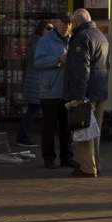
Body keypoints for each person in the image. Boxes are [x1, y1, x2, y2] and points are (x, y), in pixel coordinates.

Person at [63, 7, 109, 178]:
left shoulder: (81, 38)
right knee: (95, 131)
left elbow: (82, 71)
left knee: (82, 130)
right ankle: (96, 163)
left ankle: (87, 167)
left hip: (86, 92)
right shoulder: (101, 36)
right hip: (100, 91)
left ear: (76, 22)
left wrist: (78, 97)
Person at [36, 17, 72, 169]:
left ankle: (66, 157)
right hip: (50, 90)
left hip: (66, 91)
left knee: (66, 127)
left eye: (69, 24)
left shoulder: (73, 40)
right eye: (63, 24)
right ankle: (48, 158)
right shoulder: (45, 40)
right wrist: (58, 59)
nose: (65, 27)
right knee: (49, 127)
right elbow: (37, 62)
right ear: (57, 24)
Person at [17, 20, 49, 146]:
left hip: (35, 82)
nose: (51, 32)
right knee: (32, 110)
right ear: (42, 30)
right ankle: (23, 137)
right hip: (36, 82)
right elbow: (38, 62)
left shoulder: (37, 42)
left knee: (33, 110)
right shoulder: (39, 44)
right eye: (49, 29)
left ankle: (23, 136)